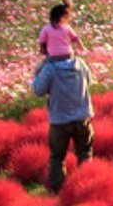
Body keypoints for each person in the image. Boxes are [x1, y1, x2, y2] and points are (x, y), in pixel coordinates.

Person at [32, 48, 93, 193]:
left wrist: (37, 73)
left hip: (60, 121)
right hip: (82, 117)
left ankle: (58, 192)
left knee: (58, 157)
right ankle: (88, 186)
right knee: (85, 153)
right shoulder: (80, 63)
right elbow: (89, 81)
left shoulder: (49, 69)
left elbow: (38, 90)